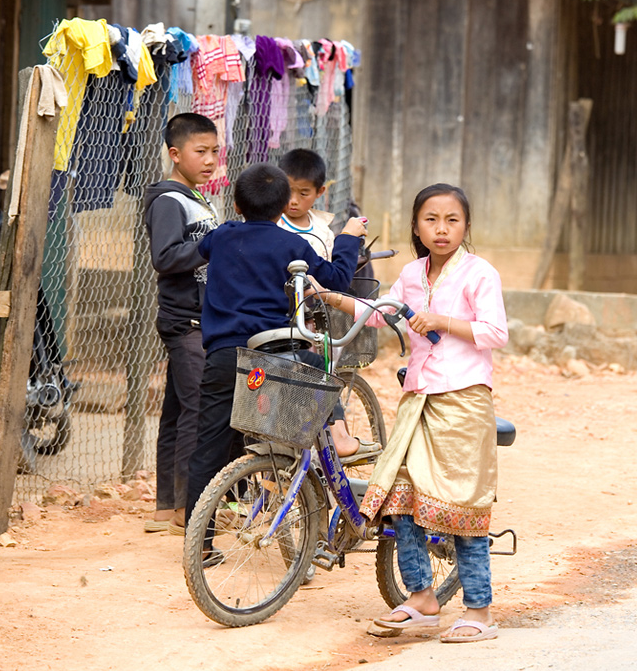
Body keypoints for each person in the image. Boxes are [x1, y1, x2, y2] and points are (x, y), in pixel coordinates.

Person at [311, 182, 508, 643]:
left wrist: (442, 322)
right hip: (417, 399)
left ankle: (479, 610)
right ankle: (422, 597)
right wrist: (330, 297)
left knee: (464, 507)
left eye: (452, 220)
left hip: (463, 402)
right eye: (432, 220)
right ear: (417, 226)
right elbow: (380, 312)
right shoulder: (412, 273)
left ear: (466, 226)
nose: (442, 229)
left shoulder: (480, 274)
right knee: (401, 501)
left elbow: (495, 332)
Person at [182, 163, 367, 557]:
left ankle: (201, 544)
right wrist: (349, 239)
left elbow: (196, 253)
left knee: (209, 445)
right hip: (269, 357)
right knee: (303, 397)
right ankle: (333, 437)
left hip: (220, 356)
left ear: (235, 203)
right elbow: (334, 279)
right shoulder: (291, 247)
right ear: (285, 205)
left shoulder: (222, 236)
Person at [143, 113, 221, 535]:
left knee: (176, 411)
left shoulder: (196, 197)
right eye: (200, 152)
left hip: (198, 318)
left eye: (215, 151)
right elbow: (165, 257)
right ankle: (188, 512)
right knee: (198, 411)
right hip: (186, 320)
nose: (210, 160)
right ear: (175, 154)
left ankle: (165, 507)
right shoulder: (169, 200)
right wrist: (214, 243)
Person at [277, 147, 381, 462]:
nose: (293, 200)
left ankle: (324, 446)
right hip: (288, 316)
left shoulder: (321, 227)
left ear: (321, 193)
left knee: (321, 374)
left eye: (303, 193)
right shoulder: (278, 225)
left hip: (318, 316)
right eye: (288, 191)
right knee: (311, 376)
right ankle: (338, 435)